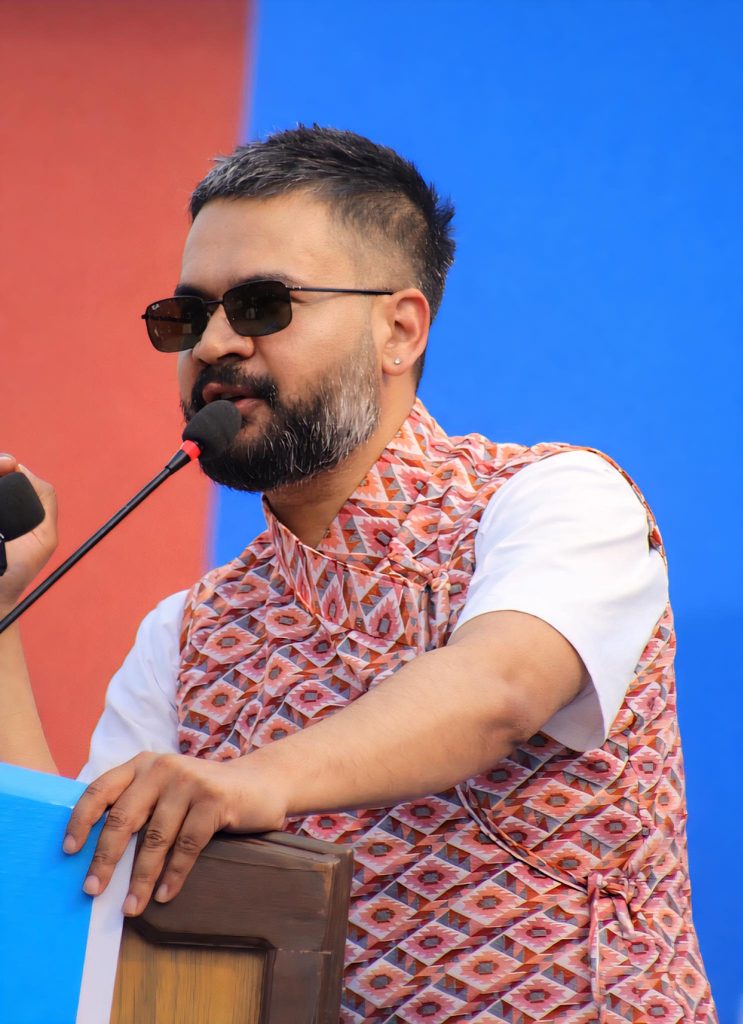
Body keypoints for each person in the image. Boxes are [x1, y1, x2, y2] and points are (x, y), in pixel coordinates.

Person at [0, 126, 716, 1022]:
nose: (214, 343)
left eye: (261, 305)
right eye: (187, 316)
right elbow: (79, 884)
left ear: (398, 329)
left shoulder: (556, 500)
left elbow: (497, 688)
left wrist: (258, 779)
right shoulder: (185, 636)